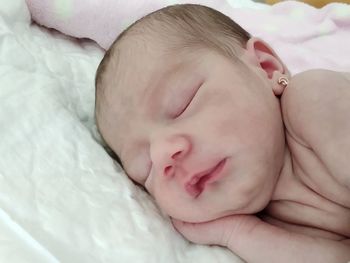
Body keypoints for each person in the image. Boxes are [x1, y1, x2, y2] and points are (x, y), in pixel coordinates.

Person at [94, 4, 350, 262]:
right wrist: (237, 234)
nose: (163, 155)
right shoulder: (272, 225)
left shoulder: (313, 99)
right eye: (145, 169)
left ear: (266, 67)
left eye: (182, 103)